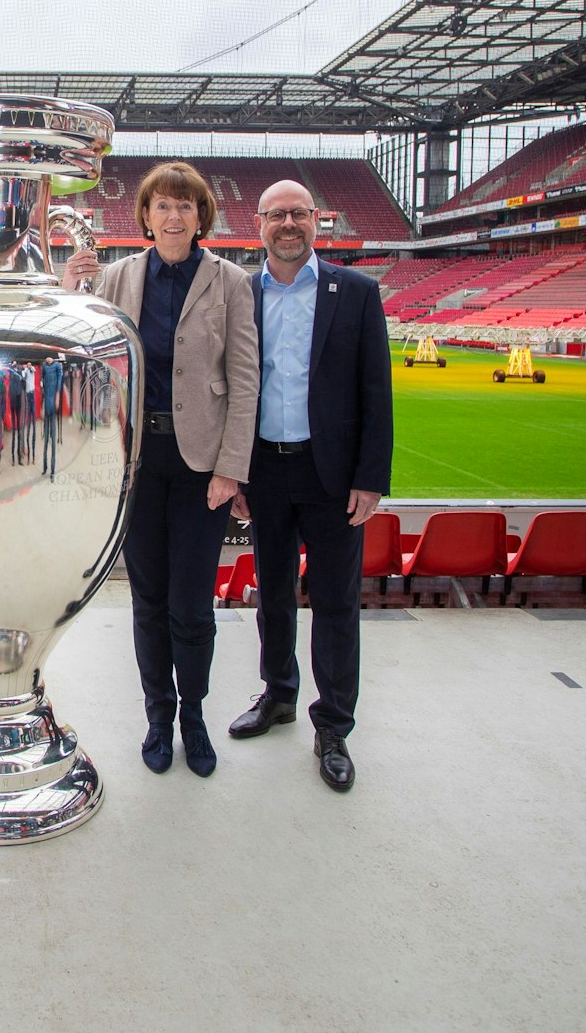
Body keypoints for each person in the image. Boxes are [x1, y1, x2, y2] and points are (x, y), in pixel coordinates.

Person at [61, 160, 258, 777]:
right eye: (163, 206)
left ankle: (193, 716)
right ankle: (157, 717)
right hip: (137, 463)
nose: (174, 217)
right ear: (145, 216)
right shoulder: (118, 277)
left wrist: (232, 468)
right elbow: (79, 352)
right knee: (147, 600)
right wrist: (70, 291)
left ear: (202, 216)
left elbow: (246, 381)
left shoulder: (230, 283)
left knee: (192, 605)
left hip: (201, 468)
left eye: (186, 206)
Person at [224, 180, 393, 793]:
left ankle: (334, 725)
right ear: (259, 223)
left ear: (317, 220)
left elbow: (376, 392)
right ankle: (279, 695)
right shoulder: (239, 292)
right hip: (265, 468)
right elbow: (230, 389)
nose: (287, 224)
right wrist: (235, 470)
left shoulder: (356, 293)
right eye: (276, 215)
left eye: (298, 214)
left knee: (336, 601)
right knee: (271, 592)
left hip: (334, 475)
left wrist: (371, 479)